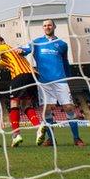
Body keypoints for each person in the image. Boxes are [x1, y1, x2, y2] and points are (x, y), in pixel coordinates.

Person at [20, 19, 85, 147]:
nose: (47, 27)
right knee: (46, 110)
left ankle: (76, 138)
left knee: (69, 107)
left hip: (60, 80)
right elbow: (25, 50)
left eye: (49, 25)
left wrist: (68, 77)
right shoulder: (37, 42)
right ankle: (51, 139)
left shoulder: (62, 44)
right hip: (44, 82)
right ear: (42, 28)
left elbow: (65, 62)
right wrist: (19, 51)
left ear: (54, 26)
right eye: (44, 25)